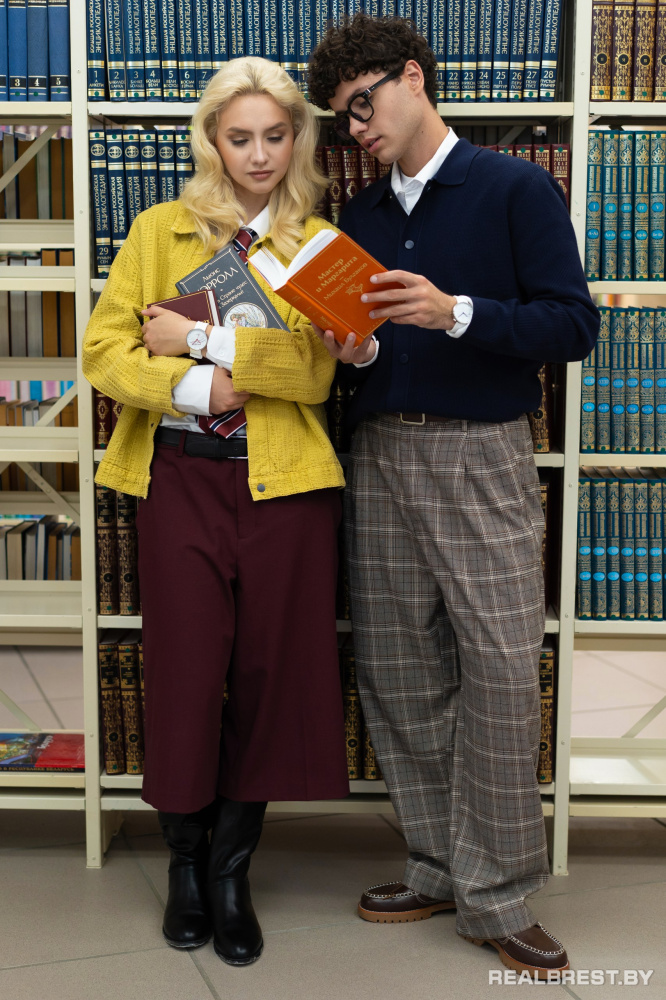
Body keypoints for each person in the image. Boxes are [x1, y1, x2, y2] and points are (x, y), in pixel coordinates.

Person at [308, 14, 599, 981]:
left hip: (482, 456)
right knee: (400, 674)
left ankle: (500, 893)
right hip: (380, 455)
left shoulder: (515, 187)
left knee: (502, 674)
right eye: (345, 118)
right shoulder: (359, 217)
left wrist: (455, 312)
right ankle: (439, 866)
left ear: (413, 77)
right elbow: (369, 351)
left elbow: (572, 326)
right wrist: (358, 352)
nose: (358, 129)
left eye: (364, 105)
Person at [82, 56, 349, 967]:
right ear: (211, 141)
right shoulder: (159, 231)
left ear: (298, 139)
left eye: (276, 136)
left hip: (287, 491)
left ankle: (233, 873)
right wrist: (200, 386)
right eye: (240, 138)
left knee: (272, 678)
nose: (259, 155)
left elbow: (314, 373)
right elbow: (105, 352)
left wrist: (201, 338)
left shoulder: (315, 244)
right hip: (182, 480)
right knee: (187, 674)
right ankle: (185, 867)